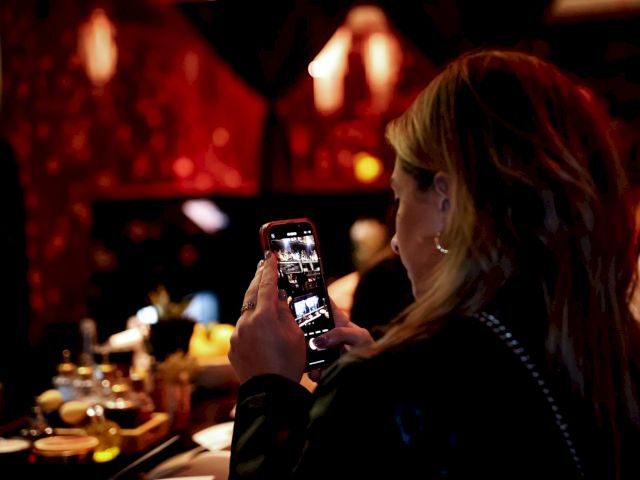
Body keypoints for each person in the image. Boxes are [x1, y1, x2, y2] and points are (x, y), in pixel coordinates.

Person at [227, 49, 640, 479]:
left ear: (445, 204)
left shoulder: (380, 389)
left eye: (399, 199)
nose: (395, 241)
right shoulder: (611, 350)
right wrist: (384, 367)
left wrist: (266, 391)